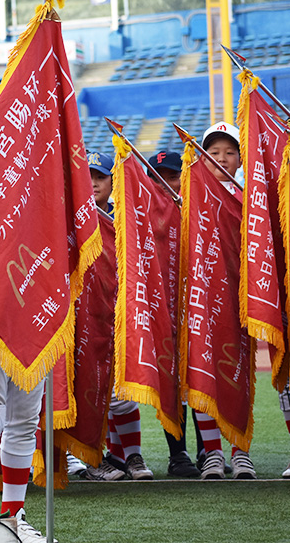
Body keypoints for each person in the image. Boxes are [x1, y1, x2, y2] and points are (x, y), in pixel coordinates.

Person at [83, 151, 154, 481]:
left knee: (123, 388)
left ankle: (132, 456)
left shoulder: (124, 217)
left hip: (119, 308)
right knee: (91, 388)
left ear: (113, 182)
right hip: (84, 313)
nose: (94, 183)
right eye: (88, 176)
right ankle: (95, 457)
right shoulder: (73, 218)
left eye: (100, 177)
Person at [193, 121, 256, 480]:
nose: (222, 159)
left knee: (239, 375)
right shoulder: (190, 194)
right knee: (203, 372)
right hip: (202, 298)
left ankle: (240, 451)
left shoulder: (251, 196)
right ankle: (213, 453)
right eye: (213, 152)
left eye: (230, 152)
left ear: (240, 157)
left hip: (240, 299)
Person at [145, 150, 201, 478]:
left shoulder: (199, 210)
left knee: (202, 375)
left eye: (171, 175)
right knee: (173, 380)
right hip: (163, 309)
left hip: (197, 305)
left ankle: (211, 452)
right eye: (157, 178)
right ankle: (178, 454)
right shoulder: (142, 216)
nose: (165, 184)